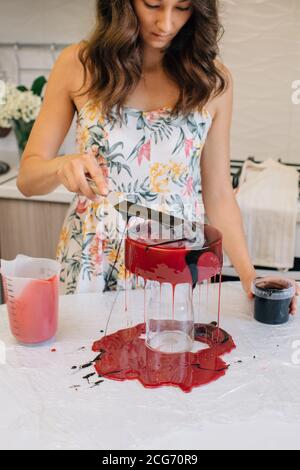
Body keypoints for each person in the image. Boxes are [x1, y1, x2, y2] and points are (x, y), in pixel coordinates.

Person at [17, 0, 299, 312]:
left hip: (175, 261)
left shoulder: (213, 82)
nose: (166, 23)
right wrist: (60, 166)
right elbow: (28, 180)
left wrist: (249, 276)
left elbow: (218, 194)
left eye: (182, 7)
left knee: (174, 354)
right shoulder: (78, 64)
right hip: (93, 260)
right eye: (152, 4)